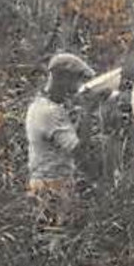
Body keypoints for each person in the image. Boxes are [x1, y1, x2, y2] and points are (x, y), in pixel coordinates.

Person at [24, 53, 96, 221]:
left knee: (52, 238)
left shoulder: (40, 105)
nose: (77, 88)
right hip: (53, 186)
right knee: (57, 239)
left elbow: (63, 140)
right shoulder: (50, 112)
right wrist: (88, 111)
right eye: (76, 80)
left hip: (46, 183)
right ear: (62, 78)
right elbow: (79, 151)